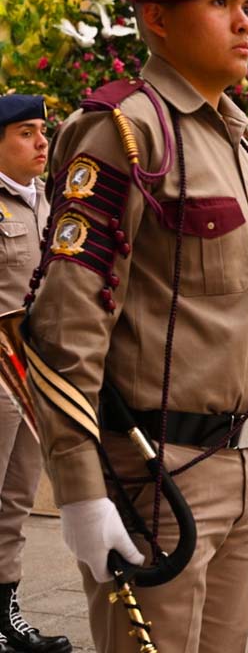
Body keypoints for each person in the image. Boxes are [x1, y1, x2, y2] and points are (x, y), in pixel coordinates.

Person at [26, 0, 248, 653]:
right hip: (159, 474)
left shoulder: (237, 142)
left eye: (246, 5)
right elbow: (68, 322)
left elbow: (220, 302)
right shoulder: (124, 132)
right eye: (221, 4)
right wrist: (80, 490)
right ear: (158, 18)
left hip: (241, 468)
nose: (246, 22)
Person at [0, 95, 71, 653]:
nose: (42, 143)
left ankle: (4, 611)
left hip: (31, 375)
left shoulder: (50, 204)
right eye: (27, 132)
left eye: (43, 132)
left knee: (15, 498)